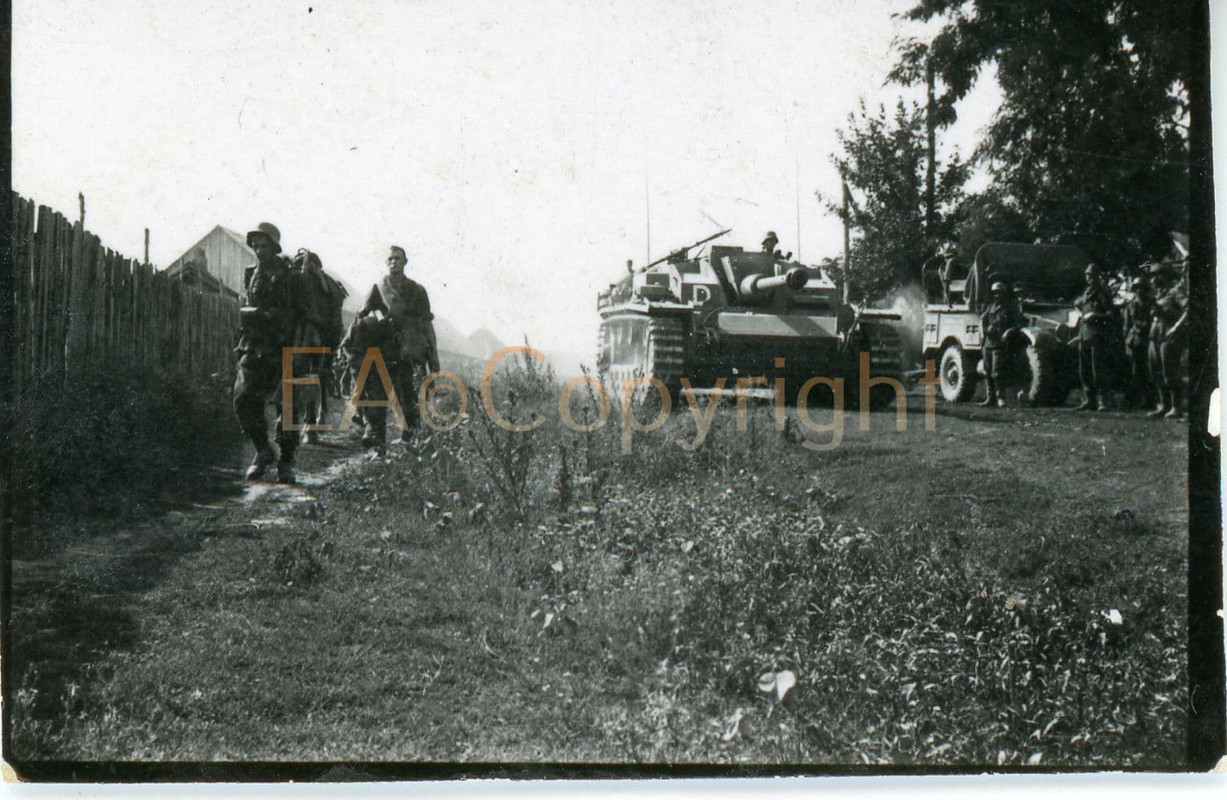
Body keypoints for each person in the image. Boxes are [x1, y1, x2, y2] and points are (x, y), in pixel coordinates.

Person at [233, 222, 304, 483]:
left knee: (287, 405)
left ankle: (286, 460)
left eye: (264, 245)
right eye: (255, 245)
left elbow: (304, 314)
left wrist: (298, 348)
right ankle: (263, 450)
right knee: (242, 398)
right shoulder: (251, 273)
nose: (258, 250)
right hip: (256, 345)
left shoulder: (292, 277)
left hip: (284, 346)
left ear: (274, 247)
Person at [359, 245, 441, 444]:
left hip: (410, 350)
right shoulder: (378, 288)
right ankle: (377, 443)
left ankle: (410, 443)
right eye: (390, 259)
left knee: (410, 398)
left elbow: (426, 324)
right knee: (377, 395)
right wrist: (375, 317)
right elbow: (363, 315)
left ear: (405, 262)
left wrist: (433, 354)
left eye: (397, 258)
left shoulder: (417, 290)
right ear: (386, 263)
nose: (393, 262)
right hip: (384, 349)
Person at [291, 249, 348, 444]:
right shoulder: (294, 279)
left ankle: (311, 424)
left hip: (318, 332)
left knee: (313, 373)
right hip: (298, 329)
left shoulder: (325, 287)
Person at [339, 295, 398, 449]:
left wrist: (354, 360)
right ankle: (374, 438)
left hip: (365, 367)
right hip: (373, 368)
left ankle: (370, 431)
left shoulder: (359, 324)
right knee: (376, 402)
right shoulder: (384, 325)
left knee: (365, 398)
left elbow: (345, 345)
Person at [1147, 262, 1189, 420]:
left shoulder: (1175, 291)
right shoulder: (1158, 294)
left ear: (1165, 276)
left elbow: (1188, 309)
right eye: (1152, 276)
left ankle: (1176, 407)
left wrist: (1176, 328)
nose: (1153, 279)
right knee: (1156, 371)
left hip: (1168, 336)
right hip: (1155, 335)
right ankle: (1163, 405)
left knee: (1169, 372)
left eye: (1157, 275)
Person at [1073, 263, 1116, 411]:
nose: (1089, 279)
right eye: (1087, 276)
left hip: (1098, 335)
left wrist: (1095, 315)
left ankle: (1103, 401)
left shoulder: (1103, 293)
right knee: (1084, 370)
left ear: (1097, 277)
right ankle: (1089, 399)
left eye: (1092, 276)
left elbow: (1111, 315)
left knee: (1099, 369)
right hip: (1084, 335)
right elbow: (1077, 305)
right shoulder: (1086, 293)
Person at [979, 281, 1023, 407]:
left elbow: (1017, 324)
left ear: (1004, 294)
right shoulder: (990, 307)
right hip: (988, 343)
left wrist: (1008, 332)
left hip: (999, 344)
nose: (997, 296)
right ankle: (990, 397)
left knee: (997, 372)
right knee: (987, 372)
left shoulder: (1009, 308)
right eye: (995, 293)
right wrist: (985, 331)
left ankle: (1000, 397)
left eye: (1000, 293)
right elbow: (982, 319)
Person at [1120, 275, 1155, 411]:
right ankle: (1135, 400)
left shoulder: (1152, 304)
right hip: (1134, 342)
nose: (1139, 291)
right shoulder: (1131, 306)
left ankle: (1149, 400)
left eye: (1141, 288)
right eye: (1136, 288)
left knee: (1149, 371)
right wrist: (1127, 342)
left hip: (1149, 340)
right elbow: (1126, 325)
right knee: (1135, 371)